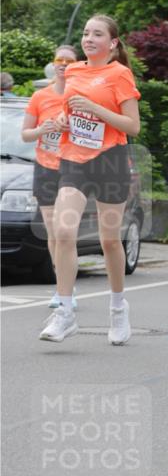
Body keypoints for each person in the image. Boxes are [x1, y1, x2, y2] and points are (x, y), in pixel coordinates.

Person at [39, 15, 141, 345]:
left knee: (109, 240)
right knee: (64, 231)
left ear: (112, 43)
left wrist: (95, 110)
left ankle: (118, 308)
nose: (89, 38)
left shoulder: (120, 74)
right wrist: (62, 120)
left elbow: (132, 126)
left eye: (97, 34)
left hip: (110, 161)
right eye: (85, 33)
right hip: (74, 159)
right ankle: (65, 312)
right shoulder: (75, 71)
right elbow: (73, 114)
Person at [22, 45, 79, 309]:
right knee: (52, 231)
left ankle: (67, 289)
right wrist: (42, 129)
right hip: (45, 167)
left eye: (69, 60)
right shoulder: (39, 97)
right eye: (59, 59)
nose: (63, 64)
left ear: (76, 64)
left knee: (65, 230)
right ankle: (62, 287)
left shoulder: (79, 96)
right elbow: (25, 134)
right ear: (53, 64)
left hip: (70, 167)